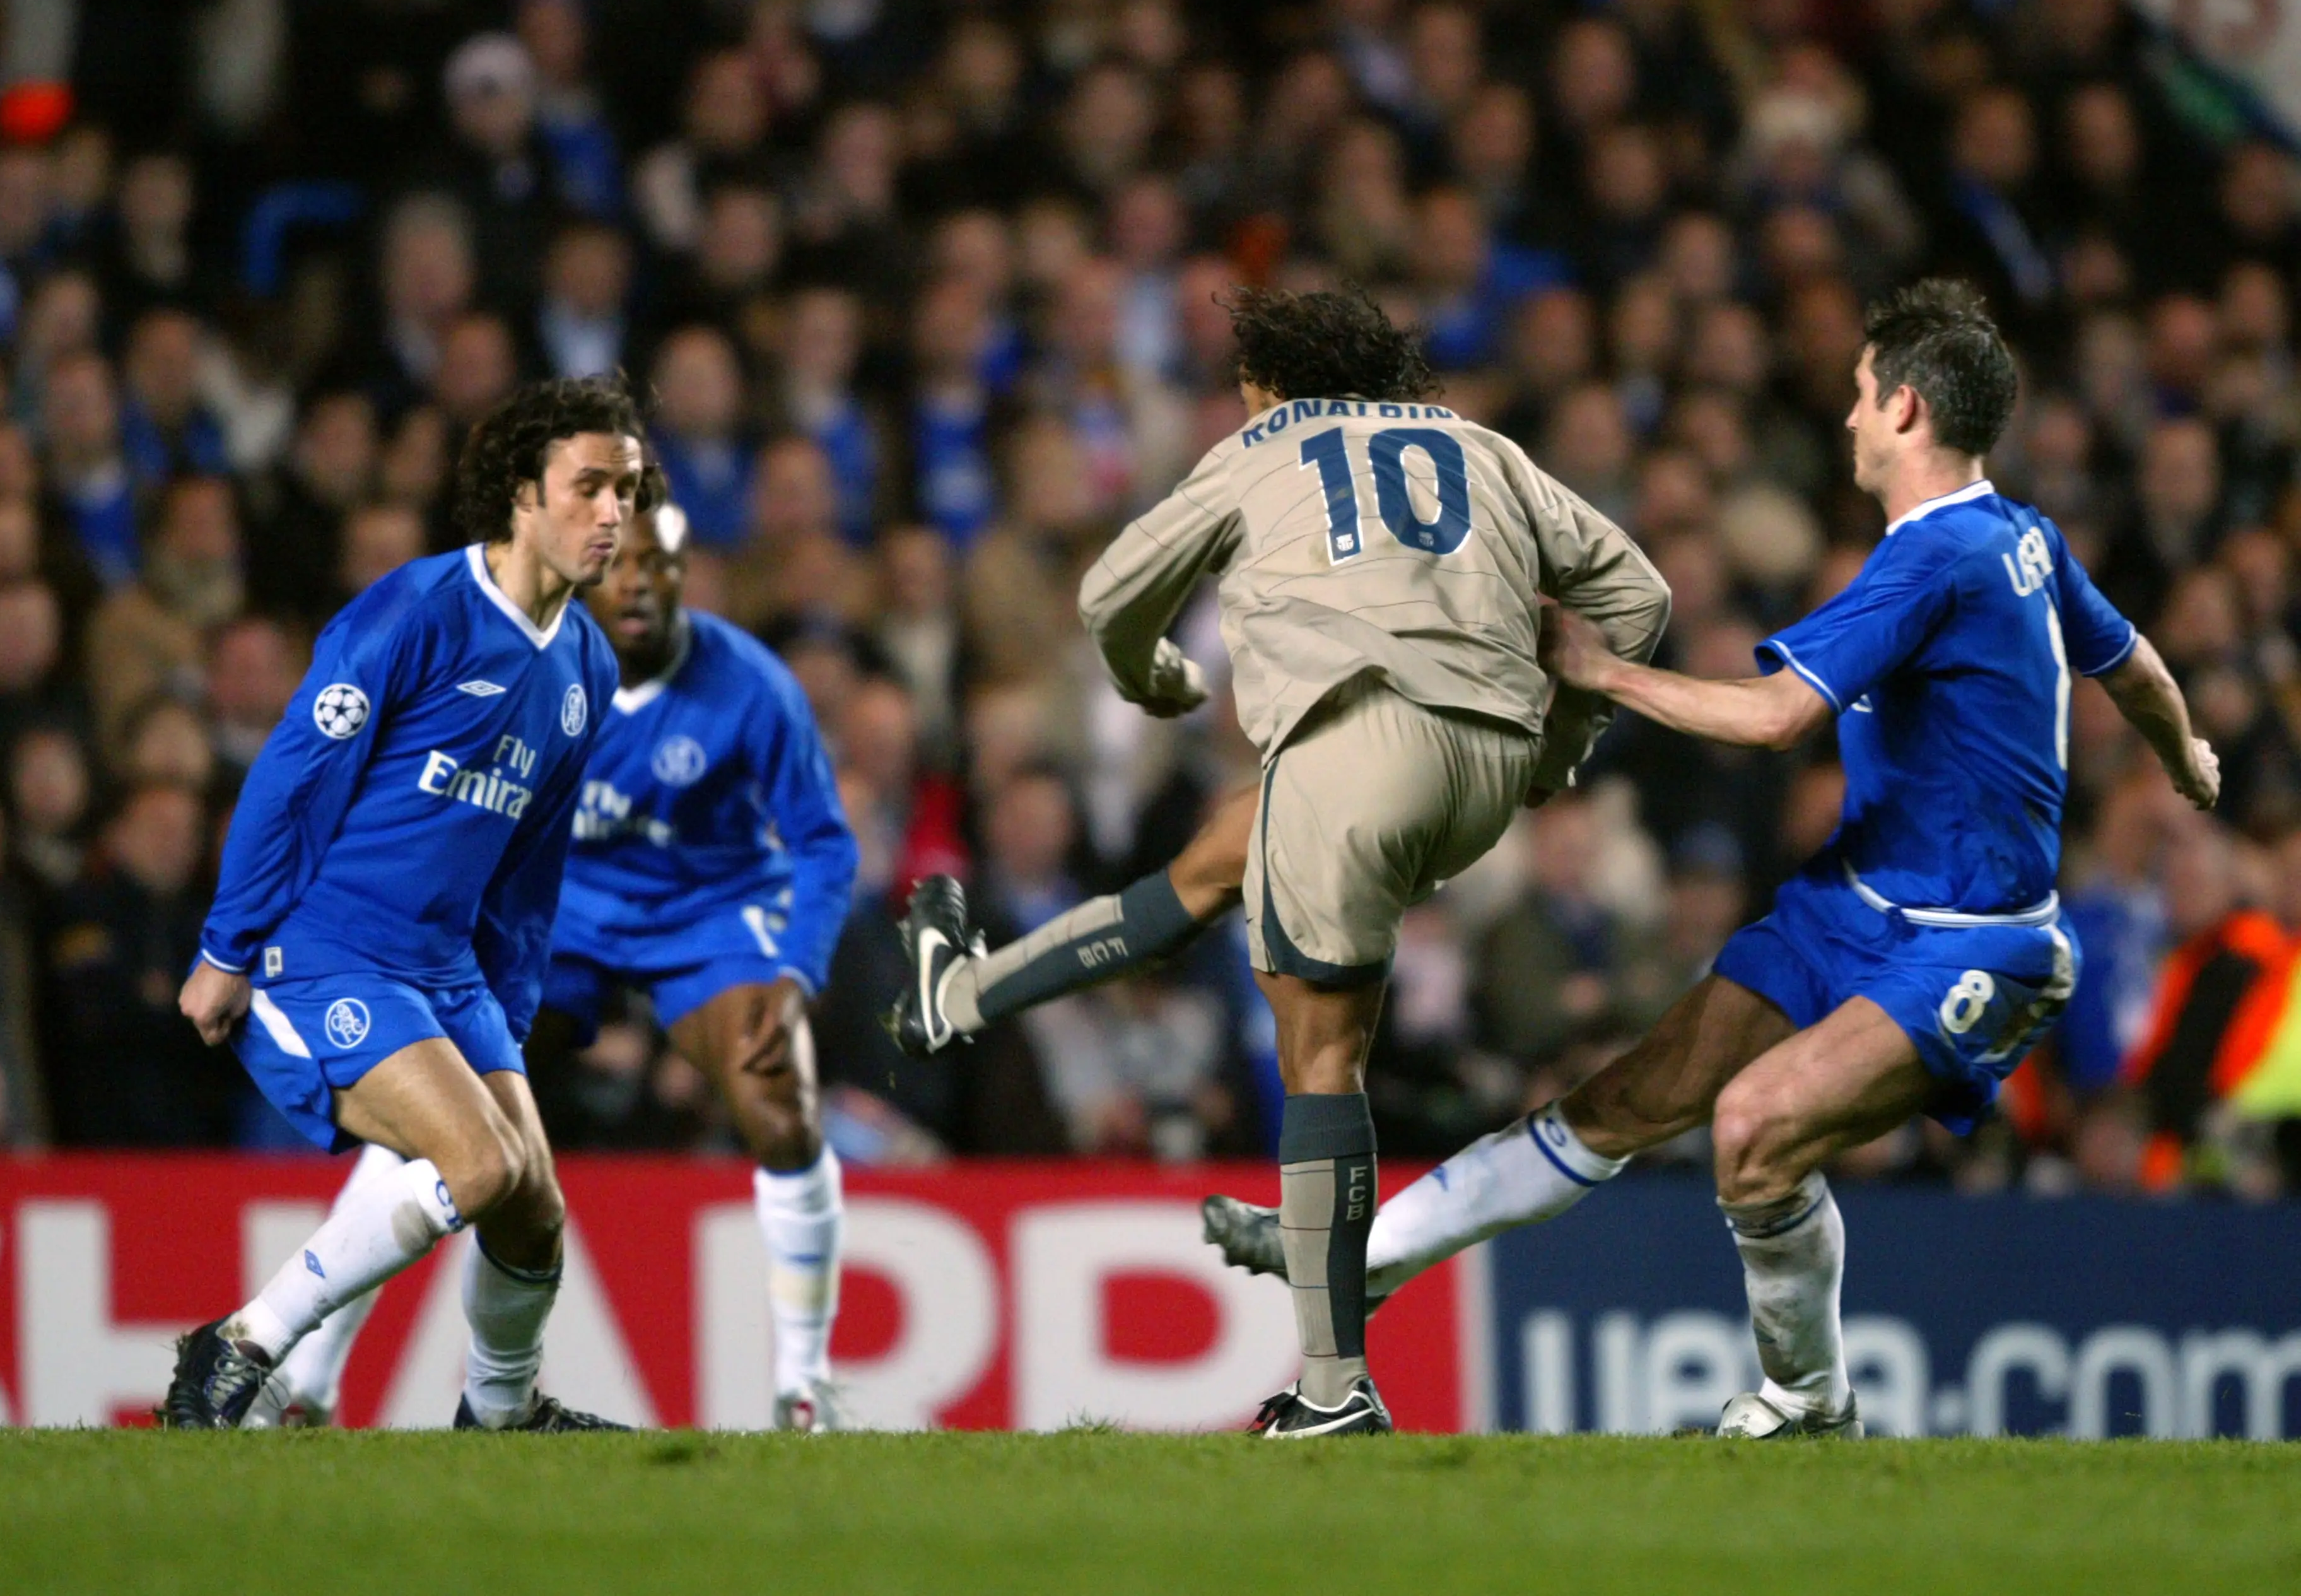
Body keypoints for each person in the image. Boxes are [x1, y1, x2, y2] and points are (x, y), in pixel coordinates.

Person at [1202, 279, 2222, 1438]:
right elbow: (2132, 663)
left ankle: (1808, 1395)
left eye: (1855, 396)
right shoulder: (2024, 538)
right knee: (1625, 1098)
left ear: (1902, 410)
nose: (1842, 419)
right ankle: (1358, 1259)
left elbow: (1780, 720)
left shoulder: (1937, 558)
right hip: (1852, 905)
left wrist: (1605, 672)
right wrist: (2187, 752)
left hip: (1975, 944)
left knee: (1752, 1130)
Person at [903, 286, 1670, 1435]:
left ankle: (1332, 1388)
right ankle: (959, 994)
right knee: (1214, 864)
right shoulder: (1485, 448)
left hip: (1358, 749)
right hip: (1484, 771)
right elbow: (1640, 597)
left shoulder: (1265, 444)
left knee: (1321, 1056)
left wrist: (1151, 678)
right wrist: (1558, 747)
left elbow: (1113, 592)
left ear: (1269, 381)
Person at [252, 486, 861, 1431]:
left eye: (661, 566)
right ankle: (310, 1384)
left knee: (781, 1100)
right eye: (623, 565)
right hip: (553, 914)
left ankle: (803, 1388)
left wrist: (793, 976)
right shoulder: (530, 669)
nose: (641, 586)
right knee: (438, 1119)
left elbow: (824, 844)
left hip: (704, 917)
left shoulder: (751, 685)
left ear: (686, 575)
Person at [160, 377, 638, 1432]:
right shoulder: (419, 609)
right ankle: (239, 1345)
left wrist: (504, 1020)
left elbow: (530, 861)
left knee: (535, 1215)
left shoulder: (588, 667)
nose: (614, 516)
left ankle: (500, 1414)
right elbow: (293, 774)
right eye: (590, 487)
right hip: (327, 949)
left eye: (630, 492)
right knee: (476, 1162)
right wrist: (227, 948)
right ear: (522, 492)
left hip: (448, 972)